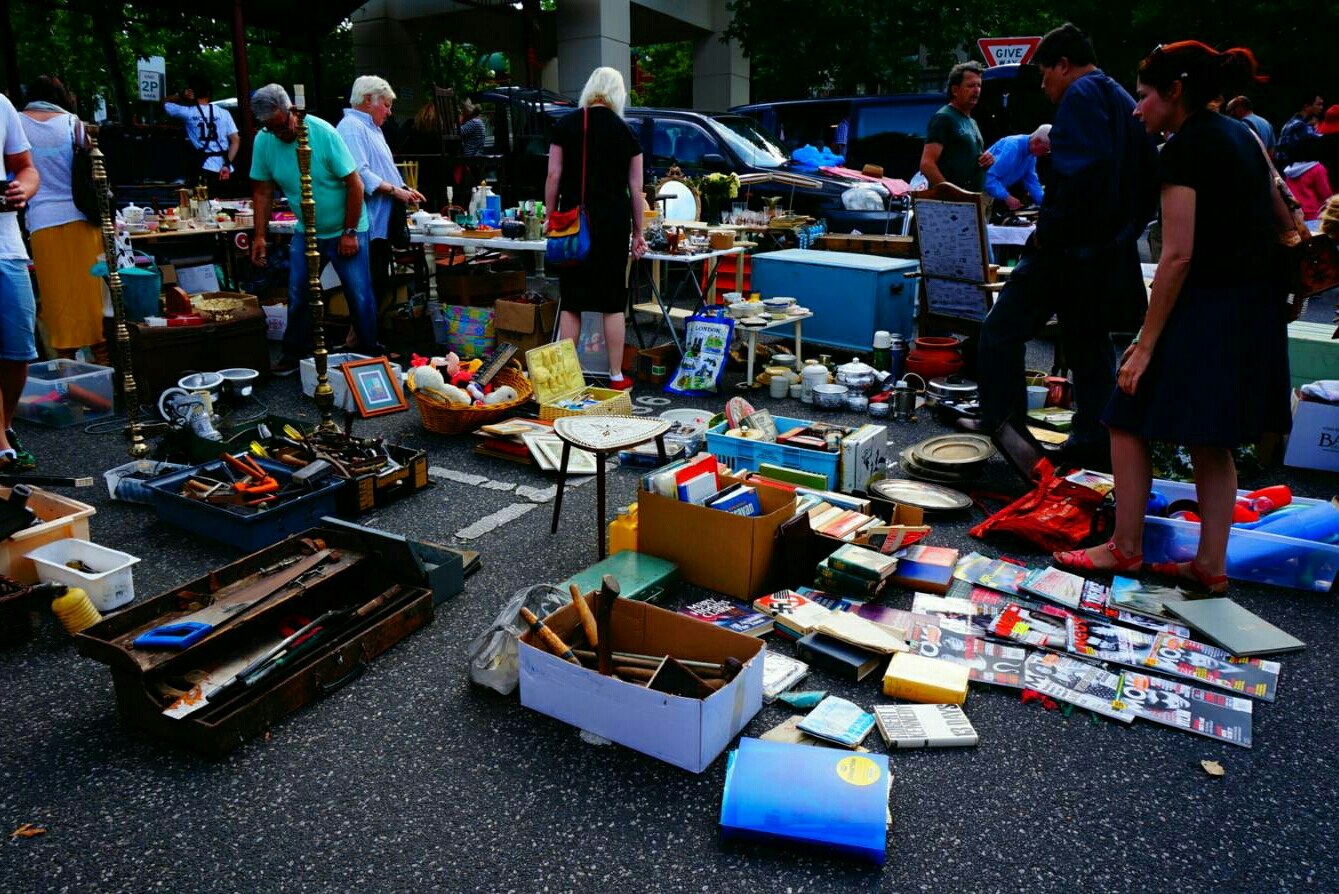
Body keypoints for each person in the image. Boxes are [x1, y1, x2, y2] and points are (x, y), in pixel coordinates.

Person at [1053, 41, 1295, 595]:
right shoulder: (1244, 134)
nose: (1136, 108)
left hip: (1208, 306)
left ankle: (1125, 548)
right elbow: (1285, 215)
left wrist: (1144, 344)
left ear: (1176, 91)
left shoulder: (1184, 149)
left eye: (1144, 96)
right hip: (1254, 306)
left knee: (1123, 412)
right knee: (1214, 438)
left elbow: (1177, 256)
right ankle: (1209, 565)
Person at [967, 23, 1158, 473]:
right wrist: (1123, 233)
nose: (1043, 85)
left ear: (1064, 65)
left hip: (1067, 248)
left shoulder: (1081, 95)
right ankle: (1095, 440)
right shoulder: (1122, 99)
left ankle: (1005, 429)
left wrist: (1047, 231)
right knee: (1088, 343)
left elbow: (1078, 176)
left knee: (1001, 331)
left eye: (1044, 74)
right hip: (1104, 248)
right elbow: (1148, 175)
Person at [248, 84, 380, 376]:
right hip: (307, 230)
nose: (278, 134)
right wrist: (259, 236)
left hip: (347, 226)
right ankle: (296, 352)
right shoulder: (264, 140)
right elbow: (263, 191)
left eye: (282, 125)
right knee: (298, 293)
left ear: (293, 111)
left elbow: (355, 185)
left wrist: (349, 232)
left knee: (358, 294)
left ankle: (369, 353)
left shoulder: (323, 133)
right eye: (270, 128)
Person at [544, 66, 646, 390]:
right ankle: (615, 375)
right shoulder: (626, 132)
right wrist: (639, 233)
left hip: (574, 224)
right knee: (612, 302)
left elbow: (553, 175)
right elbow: (636, 188)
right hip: (613, 224)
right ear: (618, 94)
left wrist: (549, 215)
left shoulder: (566, 125)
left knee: (572, 301)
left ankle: (565, 378)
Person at [19, 75, 107, 366]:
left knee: (57, 298)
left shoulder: (15, 124)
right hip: (82, 218)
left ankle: (66, 368)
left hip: (42, 221)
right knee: (94, 297)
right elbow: (95, 169)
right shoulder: (74, 124)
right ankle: (104, 364)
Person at [336, 75, 424, 322]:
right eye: (386, 105)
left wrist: (404, 187)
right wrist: (396, 191)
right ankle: (360, 337)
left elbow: (381, 169)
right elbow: (360, 173)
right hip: (368, 221)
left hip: (379, 221)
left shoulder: (371, 127)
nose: (389, 111)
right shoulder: (352, 127)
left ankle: (362, 335)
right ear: (368, 100)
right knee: (370, 284)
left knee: (377, 282)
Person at [0, 92, 40, 472]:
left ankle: (6, 427)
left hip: (7, 247)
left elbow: (26, 168)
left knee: (18, 350)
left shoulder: (0, 105)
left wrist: (22, 189)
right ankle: (0, 445)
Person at [920, 63, 993, 193]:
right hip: (951, 203)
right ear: (955, 90)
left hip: (972, 200)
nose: (976, 90)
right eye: (970, 86)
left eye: (979, 85)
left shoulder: (972, 122)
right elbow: (927, 164)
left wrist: (986, 161)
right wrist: (951, 194)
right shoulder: (944, 118)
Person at [163, 75, 239, 193]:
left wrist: (181, 96)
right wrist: (227, 164)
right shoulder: (224, 113)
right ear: (209, 93)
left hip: (203, 167)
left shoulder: (187, 112)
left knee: (202, 201)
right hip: (225, 168)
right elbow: (235, 141)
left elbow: (164, 102)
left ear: (191, 93)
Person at [983, 124, 1051, 212]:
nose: (1046, 154)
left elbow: (1031, 181)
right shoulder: (1012, 147)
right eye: (1046, 149)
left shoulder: (1031, 155)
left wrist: (1046, 204)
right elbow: (988, 176)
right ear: (1037, 142)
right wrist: (1007, 197)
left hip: (988, 193)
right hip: (976, 191)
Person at [1275, 91, 1324, 167]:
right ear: (1306, 106)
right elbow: (1321, 139)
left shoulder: (1294, 122)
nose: (1321, 107)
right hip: (1291, 169)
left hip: (1287, 168)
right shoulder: (1299, 125)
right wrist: (1317, 126)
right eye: (1318, 104)